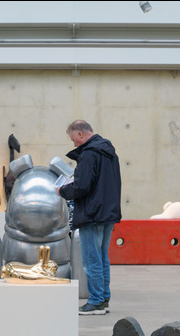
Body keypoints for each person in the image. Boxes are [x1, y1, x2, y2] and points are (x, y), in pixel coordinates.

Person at [58, 119, 122, 315]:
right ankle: (103, 298)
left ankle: (95, 301)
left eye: (73, 140)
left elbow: (82, 186)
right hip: (107, 213)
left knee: (91, 259)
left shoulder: (89, 154)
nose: (74, 144)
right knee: (102, 257)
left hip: (92, 213)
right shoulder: (109, 152)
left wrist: (62, 190)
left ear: (80, 134)